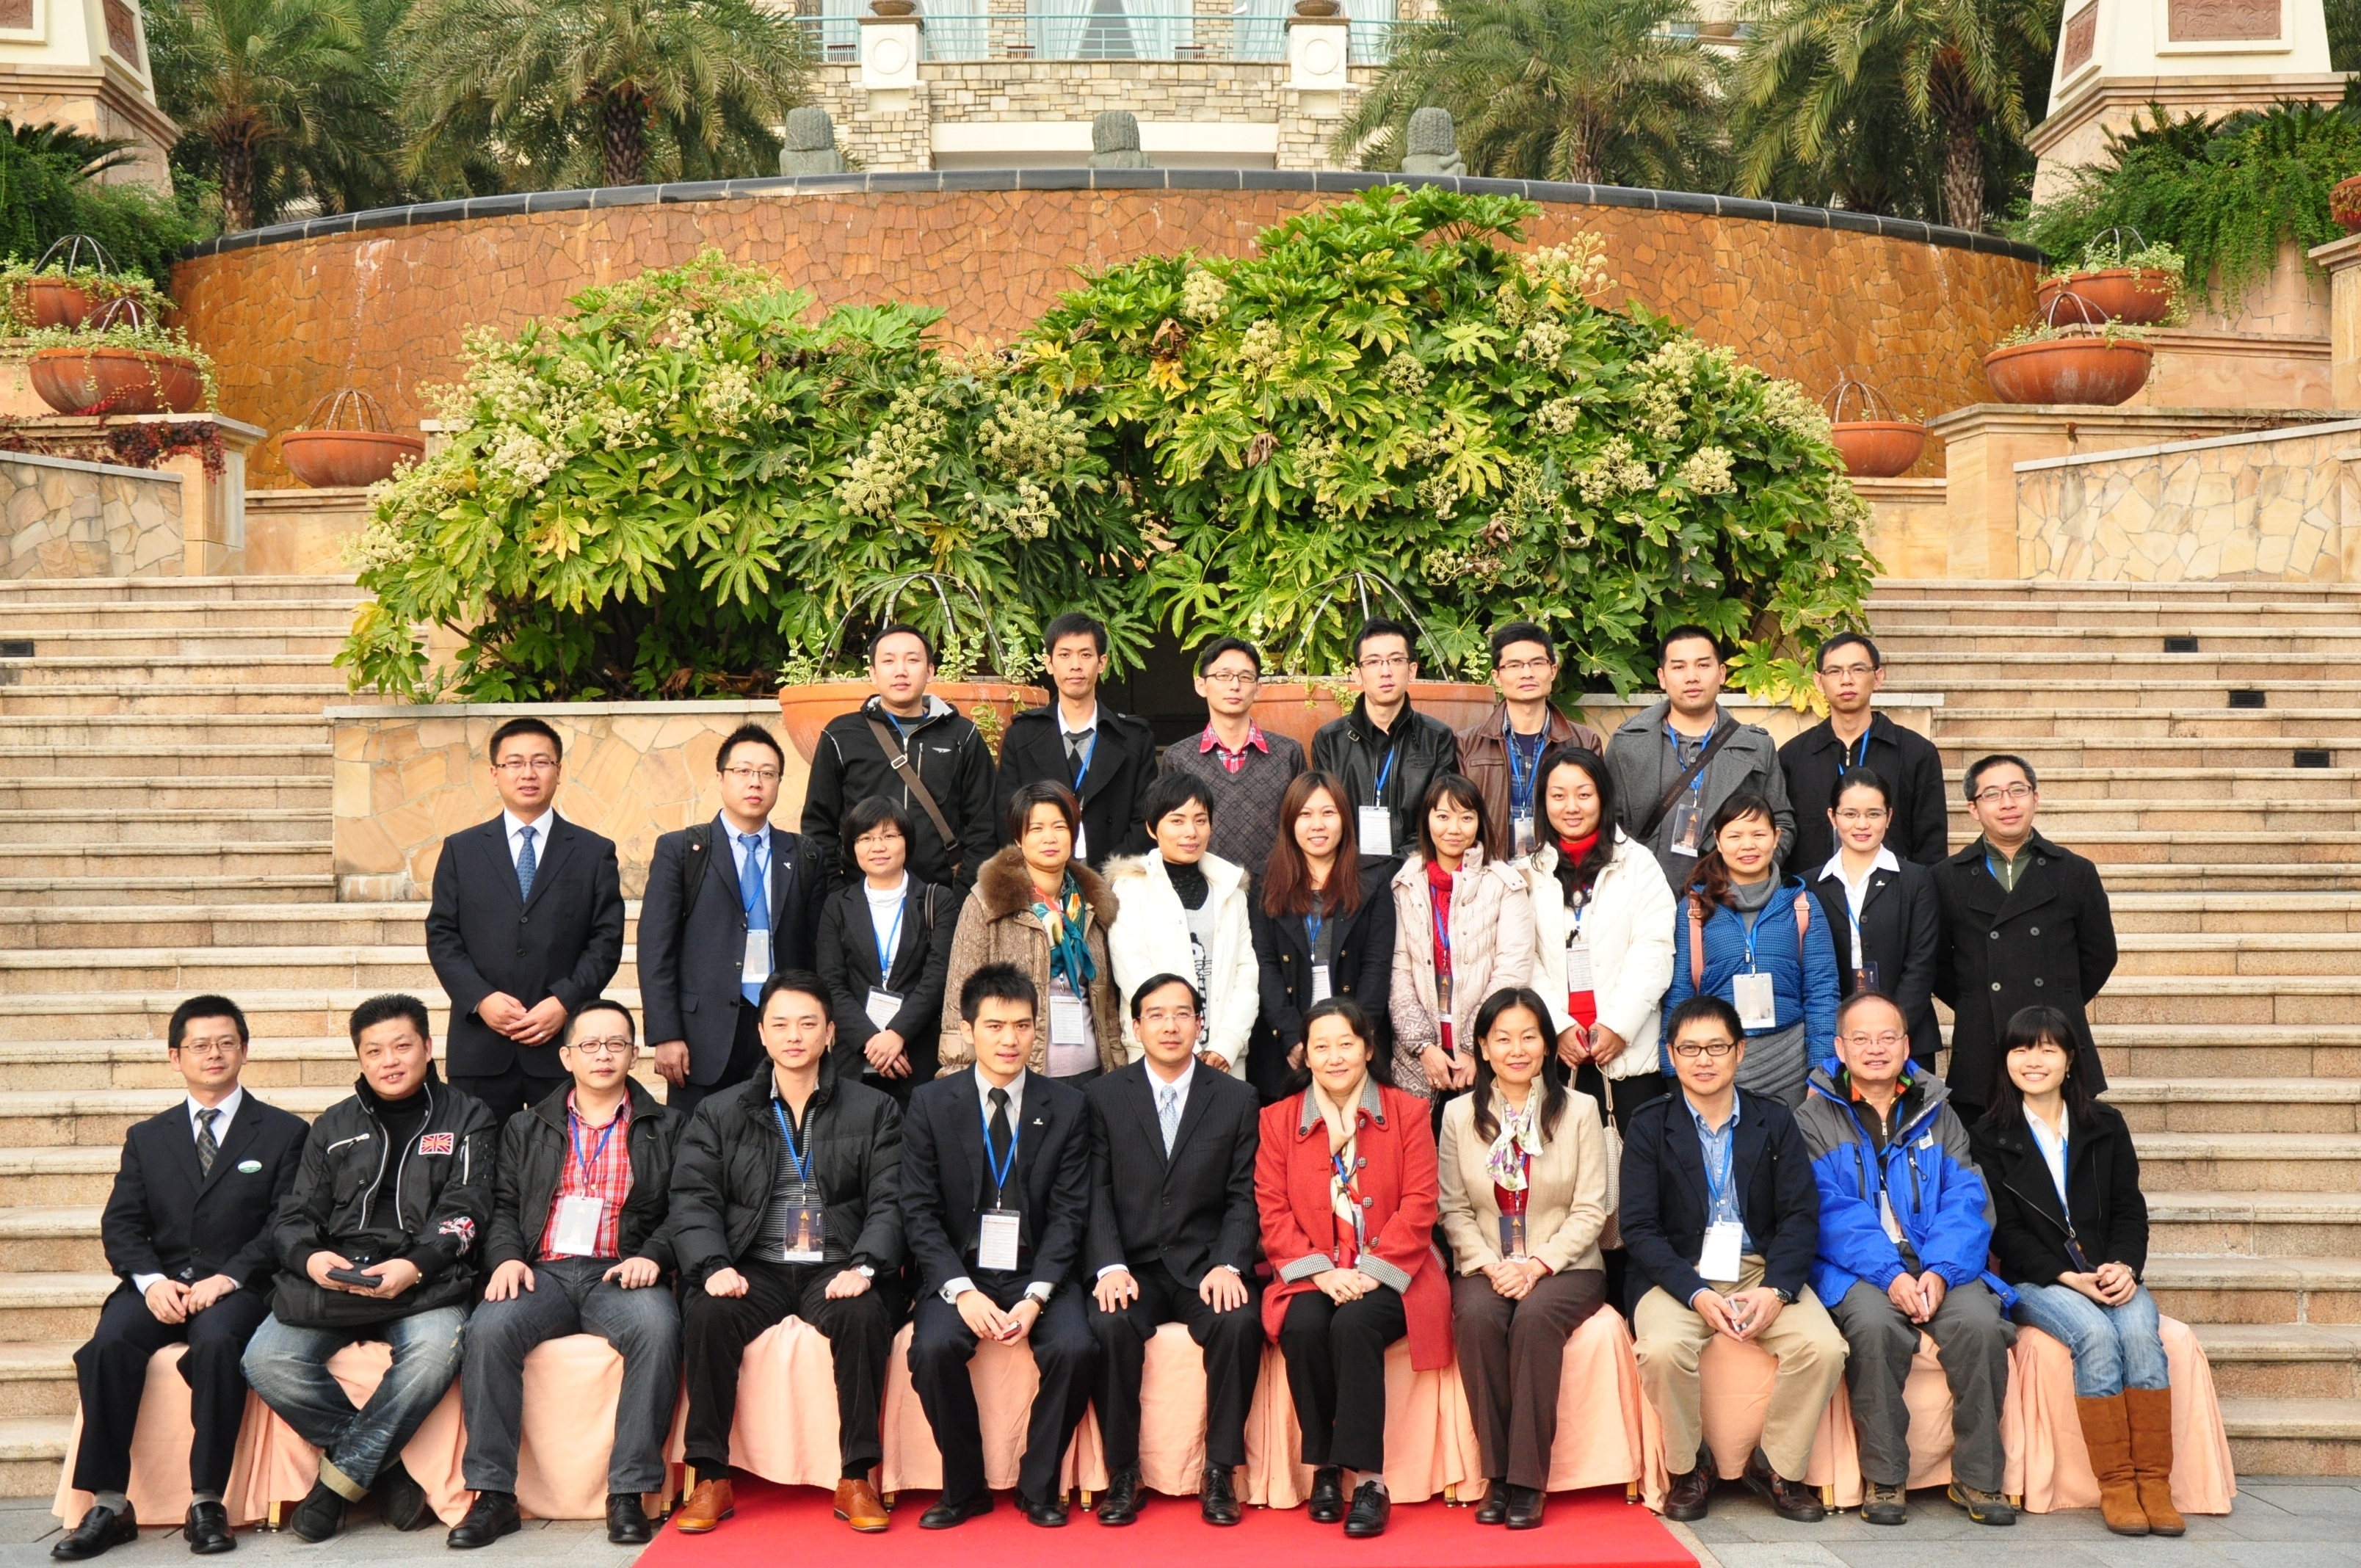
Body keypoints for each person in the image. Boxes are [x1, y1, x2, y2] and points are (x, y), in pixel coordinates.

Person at [240, 995, 498, 1544]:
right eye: (374, 1051)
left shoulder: (469, 1117)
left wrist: (415, 1264)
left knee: (434, 1353)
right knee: (266, 1359)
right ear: (359, 1058)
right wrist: (310, 1259)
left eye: (402, 1046)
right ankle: (387, 1473)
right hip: (337, 1278)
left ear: (428, 1047)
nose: (390, 1061)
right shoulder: (333, 1124)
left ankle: (334, 1489)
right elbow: (294, 1215)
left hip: (425, 1281)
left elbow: (468, 1208)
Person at [57, 997, 307, 1561]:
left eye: (225, 1043)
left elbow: (286, 1223)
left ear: (244, 1049)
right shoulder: (148, 1137)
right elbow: (122, 1224)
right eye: (199, 1045)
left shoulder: (285, 1132)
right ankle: (110, 1502)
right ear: (176, 1057)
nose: (213, 1054)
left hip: (238, 1286)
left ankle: (207, 1499)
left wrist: (231, 1277)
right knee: (107, 1346)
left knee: (217, 1344)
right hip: (161, 1283)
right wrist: (150, 1281)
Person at [667, 973, 907, 1536]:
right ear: (762, 1033)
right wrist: (713, 1264)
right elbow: (693, 1199)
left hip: (839, 1264)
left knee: (863, 1314)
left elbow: (893, 1200)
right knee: (708, 1312)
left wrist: (866, 1264)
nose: (793, 1036)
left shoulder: (874, 1109)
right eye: (780, 1024)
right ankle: (711, 1476)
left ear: (830, 1033)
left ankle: (856, 1476)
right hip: (754, 1265)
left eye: (807, 1024)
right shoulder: (720, 1112)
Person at [450, 999, 683, 1550]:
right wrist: (507, 1257)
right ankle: (493, 1495)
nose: (603, 1055)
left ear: (634, 1053)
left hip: (620, 1271)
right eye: (590, 1044)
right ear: (566, 1056)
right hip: (543, 1272)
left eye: (616, 1044)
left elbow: (688, 1206)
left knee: (658, 1328)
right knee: (488, 1329)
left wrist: (654, 1255)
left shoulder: (668, 1126)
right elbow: (503, 1205)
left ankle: (629, 1492)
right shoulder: (525, 1126)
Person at [1622, 996, 1846, 1525]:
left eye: (1717, 1047)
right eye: (1690, 1049)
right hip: (1679, 1274)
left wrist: (1778, 1290)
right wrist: (1696, 1293)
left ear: (1740, 1051)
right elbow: (1639, 1228)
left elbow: (1800, 1216)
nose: (1704, 1060)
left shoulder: (1775, 1119)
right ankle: (1690, 1468)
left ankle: (1774, 1466)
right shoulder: (1649, 1124)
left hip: (1761, 1268)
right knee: (1661, 1350)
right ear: (1671, 1055)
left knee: (1824, 1348)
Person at [1796, 992, 2017, 1529]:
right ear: (1840, 1048)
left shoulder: (1938, 1112)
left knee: (1980, 1324)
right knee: (1873, 1327)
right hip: (1857, 1266)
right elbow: (1828, 1212)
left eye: (1887, 1037)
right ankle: (1885, 1476)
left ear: (1906, 1045)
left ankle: (1978, 1477)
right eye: (1862, 1039)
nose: (1875, 1049)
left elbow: (1965, 1201)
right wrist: (1890, 1274)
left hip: (1939, 1259)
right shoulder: (1812, 1118)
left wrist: (1940, 1270)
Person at [900, 965, 1099, 1528]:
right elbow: (918, 1211)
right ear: (968, 1030)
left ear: (1037, 1029)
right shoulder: (930, 1104)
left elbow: (1070, 1214)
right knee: (932, 1349)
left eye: (1022, 1025)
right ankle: (965, 1488)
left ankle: (1039, 1486)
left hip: (1038, 1270)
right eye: (994, 1026)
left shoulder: (1067, 1105)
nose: (1010, 1040)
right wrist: (960, 1292)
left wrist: (1037, 1297)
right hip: (962, 1270)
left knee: (1076, 1348)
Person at [1971, 1006, 2179, 1539]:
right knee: (2094, 1335)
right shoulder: (1989, 1135)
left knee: (2139, 1333)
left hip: (2108, 1267)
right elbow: (2003, 1233)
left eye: (2047, 1049)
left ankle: (2154, 1484)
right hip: (2038, 1279)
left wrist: (2125, 1266)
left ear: (2069, 1060)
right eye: (2021, 1049)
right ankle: (2117, 1486)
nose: (2033, 1060)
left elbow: (2129, 1209)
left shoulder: (2105, 1126)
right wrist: (2068, 1277)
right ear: (2005, 1060)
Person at [1256, 998, 1449, 1539]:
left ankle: (1369, 1481)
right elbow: (1272, 1210)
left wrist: (1372, 1270)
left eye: (1346, 1044)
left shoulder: (1407, 1111)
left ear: (1368, 1048)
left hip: (1394, 1268)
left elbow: (1421, 1203)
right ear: (1306, 1056)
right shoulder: (1278, 1120)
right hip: (1316, 1269)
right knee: (1303, 1325)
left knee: (1354, 1323)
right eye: (1322, 1046)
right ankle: (1324, 1468)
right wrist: (1321, 1272)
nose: (1335, 1056)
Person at [1084, 975, 1264, 1526]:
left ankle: (1220, 1471)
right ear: (1135, 1026)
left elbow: (1243, 1194)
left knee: (1239, 1322)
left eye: (1182, 1014)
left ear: (1199, 1024)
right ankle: (1122, 1472)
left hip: (1204, 1264)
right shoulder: (1103, 1096)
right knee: (1109, 1324)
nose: (1170, 1026)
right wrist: (1109, 1265)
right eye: (1156, 1015)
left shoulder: (1236, 1097)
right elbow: (1095, 1191)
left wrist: (1229, 1262)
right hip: (1132, 1265)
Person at [1436, 987, 1610, 1530]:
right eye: (1503, 1038)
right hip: (1487, 1262)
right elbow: (1452, 1207)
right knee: (1477, 1317)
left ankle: (1528, 1480)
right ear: (1483, 1048)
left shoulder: (1579, 1110)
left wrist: (1537, 1265)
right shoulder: (1458, 1114)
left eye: (1529, 1037)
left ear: (1547, 1044)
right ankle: (1497, 1475)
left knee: (1534, 1318)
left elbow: (1592, 1208)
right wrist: (1491, 1265)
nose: (1517, 1049)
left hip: (1567, 1265)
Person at [425, 716, 626, 1117]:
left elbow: (606, 941)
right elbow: (442, 934)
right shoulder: (462, 850)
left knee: (559, 1152)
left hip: (562, 1045)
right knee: (478, 1152)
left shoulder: (593, 852)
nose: (528, 773)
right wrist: (481, 999)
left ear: (558, 771)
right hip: (480, 1045)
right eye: (514, 763)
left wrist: (564, 1002)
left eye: (541, 762)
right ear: (495, 774)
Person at [639, 723, 830, 1116]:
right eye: (743, 771)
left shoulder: (804, 855)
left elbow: (816, 950)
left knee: (779, 1138)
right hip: (701, 1035)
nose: (755, 782)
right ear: (721, 778)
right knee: (699, 1142)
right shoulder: (682, 850)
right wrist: (665, 1034)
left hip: (780, 1027)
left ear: (779, 782)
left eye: (767, 773)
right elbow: (655, 948)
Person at [1932, 755, 2119, 1124]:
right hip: (1983, 1040)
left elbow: (2099, 955)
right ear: (1973, 808)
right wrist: (1978, 999)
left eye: (2018, 790)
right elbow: (1937, 963)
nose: (2007, 803)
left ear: (2036, 797)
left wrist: (2058, 999)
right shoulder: (1946, 877)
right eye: (1992, 794)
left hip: (2055, 1034)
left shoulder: (2075, 872)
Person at [1523, 746, 1676, 1123]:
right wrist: (1555, 1028)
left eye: (1584, 794)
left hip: (1629, 1055)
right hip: (1556, 1056)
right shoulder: (1527, 873)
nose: (1571, 807)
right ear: (1543, 802)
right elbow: (1523, 958)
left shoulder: (1638, 865)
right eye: (1558, 796)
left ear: (1603, 798)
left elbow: (1654, 949)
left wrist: (1617, 1026)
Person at [941, 781, 1123, 1086]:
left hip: (1092, 1073)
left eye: (1060, 826)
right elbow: (959, 997)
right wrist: (958, 1081)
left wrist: (1116, 1070)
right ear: (1018, 837)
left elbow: (1107, 1004)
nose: (1049, 838)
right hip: (1021, 1074)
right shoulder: (988, 903)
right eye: (1036, 828)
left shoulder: (1093, 904)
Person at [1664, 792, 1840, 1108]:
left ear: (1776, 837)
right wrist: (1673, 1070)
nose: (1748, 845)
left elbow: (1822, 992)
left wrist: (1823, 1071)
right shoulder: (1694, 910)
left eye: (1759, 834)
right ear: (1718, 841)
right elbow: (1680, 993)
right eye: (1735, 836)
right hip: (1716, 1063)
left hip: (1790, 1065)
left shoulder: (1802, 904)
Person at [802, 624, 997, 894]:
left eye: (912, 660)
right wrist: (839, 894)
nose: (901, 671)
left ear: (930, 670)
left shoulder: (962, 736)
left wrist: (960, 897)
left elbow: (983, 825)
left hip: (940, 897)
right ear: (873, 672)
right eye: (889, 661)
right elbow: (818, 824)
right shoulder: (841, 735)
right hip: (861, 898)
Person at [1606, 626, 1794, 891]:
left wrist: (1749, 878)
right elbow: (1606, 824)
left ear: (1722, 673)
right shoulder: (1627, 744)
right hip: (1644, 899)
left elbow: (1781, 822)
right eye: (1679, 667)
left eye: (1703, 665)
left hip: (1729, 900)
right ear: (1662, 677)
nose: (1692, 677)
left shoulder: (1756, 746)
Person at [1388, 774, 1537, 1108]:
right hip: (1419, 1057)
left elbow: (1511, 971)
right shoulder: (1405, 883)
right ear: (1427, 820)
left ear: (1479, 822)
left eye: (1466, 817)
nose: (1454, 829)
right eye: (1443, 816)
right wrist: (1423, 1046)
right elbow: (1398, 971)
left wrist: (1473, 1045)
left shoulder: (1505, 884)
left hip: (1487, 1051)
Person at [1248, 772, 1398, 1104]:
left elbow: (1377, 966)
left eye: (1328, 813)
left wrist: (1352, 1041)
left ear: (1344, 818)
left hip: (1355, 1043)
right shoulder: (1264, 882)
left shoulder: (1373, 880)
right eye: (1305, 814)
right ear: (1290, 822)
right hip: (1285, 1048)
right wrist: (1294, 1039)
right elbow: (1265, 965)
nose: (1317, 825)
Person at [1103, 775, 1258, 1078]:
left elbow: (1246, 973)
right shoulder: (1130, 888)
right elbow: (1133, 972)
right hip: (1157, 1051)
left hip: (1223, 1059)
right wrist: (1189, 1042)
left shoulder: (1230, 889)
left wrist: (1227, 1044)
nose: (1191, 832)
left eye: (1201, 820)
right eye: (1177, 821)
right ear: (1152, 828)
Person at [816, 797, 959, 1103]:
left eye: (889, 836)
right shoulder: (837, 905)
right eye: (865, 838)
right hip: (854, 1060)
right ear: (852, 847)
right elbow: (831, 983)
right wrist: (872, 1041)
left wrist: (897, 1034)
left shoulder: (937, 901)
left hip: (917, 1057)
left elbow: (938, 978)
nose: (877, 847)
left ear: (907, 841)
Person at [993, 611, 1157, 868]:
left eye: (1086, 655)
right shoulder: (1022, 736)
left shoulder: (1135, 738)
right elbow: (1008, 817)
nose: (1076, 665)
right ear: (1049, 663)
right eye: (1065, 655)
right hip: (1040, 878)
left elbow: (1146, 820)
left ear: (1102, 663)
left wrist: (1106, 878)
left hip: (1116, 879)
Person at [1778, 634, 1950, 871]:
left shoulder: (1916, 753)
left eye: (1858, 670)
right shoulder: (1793, 756)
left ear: (1878, 677)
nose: (1846, 680)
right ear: (1819, 681)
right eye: (1834, 671)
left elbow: (1932, 845)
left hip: (1895, 890)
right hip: (1813, 892)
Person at [1807, 769, 1943, 1070]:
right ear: (1832, 817)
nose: (1862, 824)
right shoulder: (1811, 885)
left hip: (1908, 1039)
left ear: (1889, 816)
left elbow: (1921, 964)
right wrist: (1846, 1036)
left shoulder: (1916, 881)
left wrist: (1891, 1034)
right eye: (1850, 814)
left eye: (1873, 814)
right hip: (1837, 1042)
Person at [1157, 637, 1307, 878]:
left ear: (1258, 688)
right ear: (1201, 685)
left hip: (1276, 890)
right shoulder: (1178, 758)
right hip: (1202, 888)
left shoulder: (1288, 753)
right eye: (1224, 676)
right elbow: (1167, 834)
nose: (1235, 685)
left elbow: (1303, 825)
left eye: (1245, 677)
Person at [1310, 620, 1458, 863]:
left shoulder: (1437, 738)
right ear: (1357, 675)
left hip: (1414, 870)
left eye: (1396, 660)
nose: (1386, 671)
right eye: (1373, 662)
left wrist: (1395, 867)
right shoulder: (1330, 741)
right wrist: (1360, 869)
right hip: (1349, 872)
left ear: (1412, 670)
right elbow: (1326, 816)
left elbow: (1440, 817)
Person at [1454, 622, 1603, 861]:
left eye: (1537, 663)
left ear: (1553, 670)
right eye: (1514, 665)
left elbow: (1599, 817)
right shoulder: (1467, 745)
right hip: (1490, 873)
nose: (1527, 673)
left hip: (1561, 873)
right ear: (1496, 676)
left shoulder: (1584, 742)